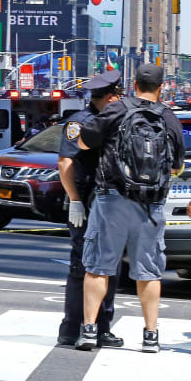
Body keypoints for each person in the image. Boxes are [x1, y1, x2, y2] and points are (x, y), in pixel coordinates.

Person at [75, 64, 185, 353]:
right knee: (149, 271)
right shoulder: (169, 118)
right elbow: (176, 167)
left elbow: (84, 143)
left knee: (98, 267)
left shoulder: (116, 110)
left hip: (111, 198)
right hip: (151, 204)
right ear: (161, 88)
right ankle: (150, 335)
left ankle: (88, 330)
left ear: (134, 84)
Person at [55, 69, 123, 348]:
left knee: (110, 266)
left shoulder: (110, 120)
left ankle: (102, 326)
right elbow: (64, 163)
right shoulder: (80, 122)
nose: (120, 100)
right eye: (117, 95)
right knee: (82, 266)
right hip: (85, 200)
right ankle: (72, 328)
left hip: (106, 200)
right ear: (108, 97)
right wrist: (74, 200)